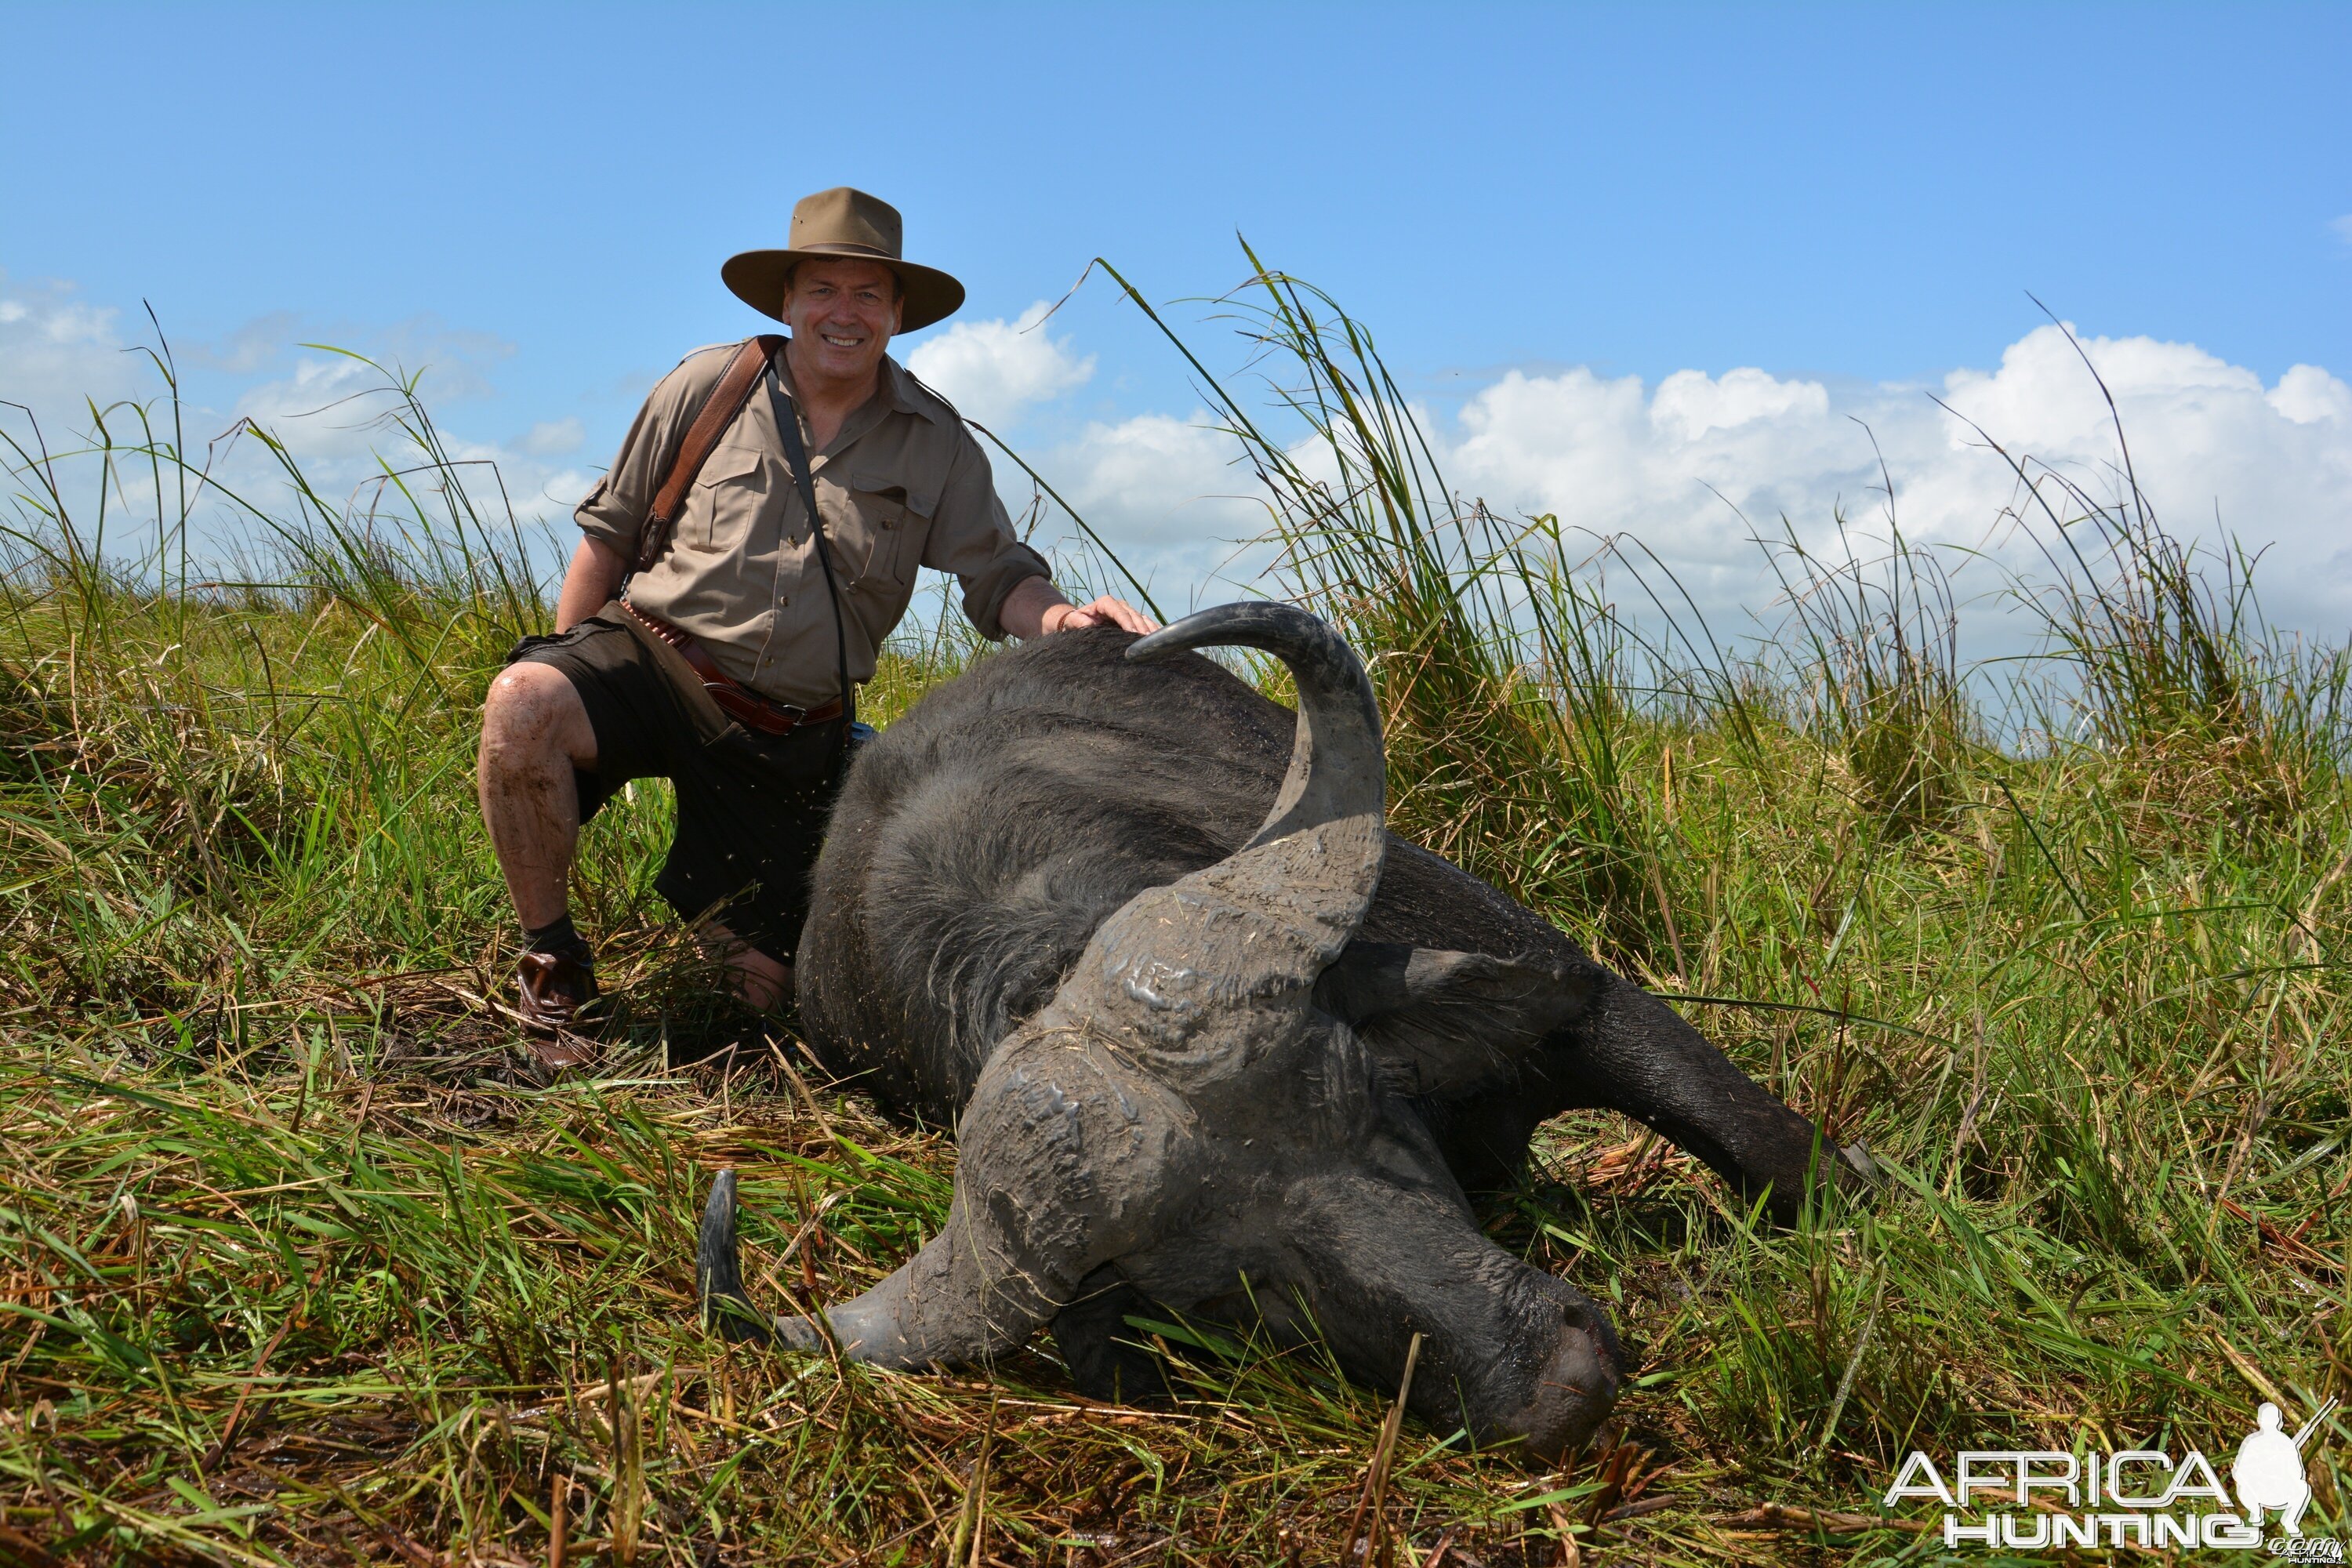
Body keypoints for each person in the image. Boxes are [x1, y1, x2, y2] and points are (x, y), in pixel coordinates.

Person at [477, 187, 1156, 1054]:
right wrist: (574, 671)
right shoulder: (706, 386)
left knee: (759, 997)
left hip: (787, 733)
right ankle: (552, 962)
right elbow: (606, 544)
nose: (845, 313)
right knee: (524, 700)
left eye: (868, 294)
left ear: (897, 314)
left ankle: (715, 912)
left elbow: (998, 575)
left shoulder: (937, 440)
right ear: (788, 303)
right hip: (655, 661)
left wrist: (1061, 618)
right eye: (824, 290)